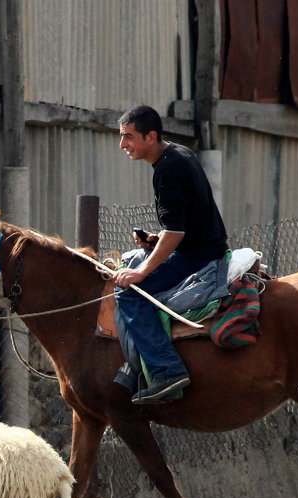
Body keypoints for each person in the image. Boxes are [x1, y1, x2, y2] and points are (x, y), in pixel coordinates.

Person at [113, 106, 229, 404]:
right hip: (203, 246)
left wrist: (141, 273)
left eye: (128, 137)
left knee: (129, 292)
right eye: (121, 136)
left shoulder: (167, 169)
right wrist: (155, 239)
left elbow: (176, 233)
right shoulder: (179, 153)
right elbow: (181, 224)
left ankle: (166, 370)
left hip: (197, 257)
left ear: (150, 137)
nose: (122, 144)